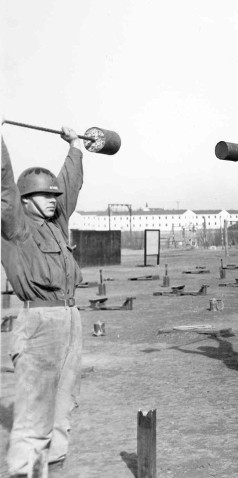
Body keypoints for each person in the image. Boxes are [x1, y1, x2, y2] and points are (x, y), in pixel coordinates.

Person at [2, 127, 84, 477]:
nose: (53, 200)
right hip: (39, 325)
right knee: (35, 417)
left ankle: (54, 470)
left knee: (63, 410)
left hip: (70, 321)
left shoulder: (57, 223)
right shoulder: (15, 226)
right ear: (25, 199)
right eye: (43, 195)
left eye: (54, 196)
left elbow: (70, 184)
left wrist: (76, 148)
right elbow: (4, 188)